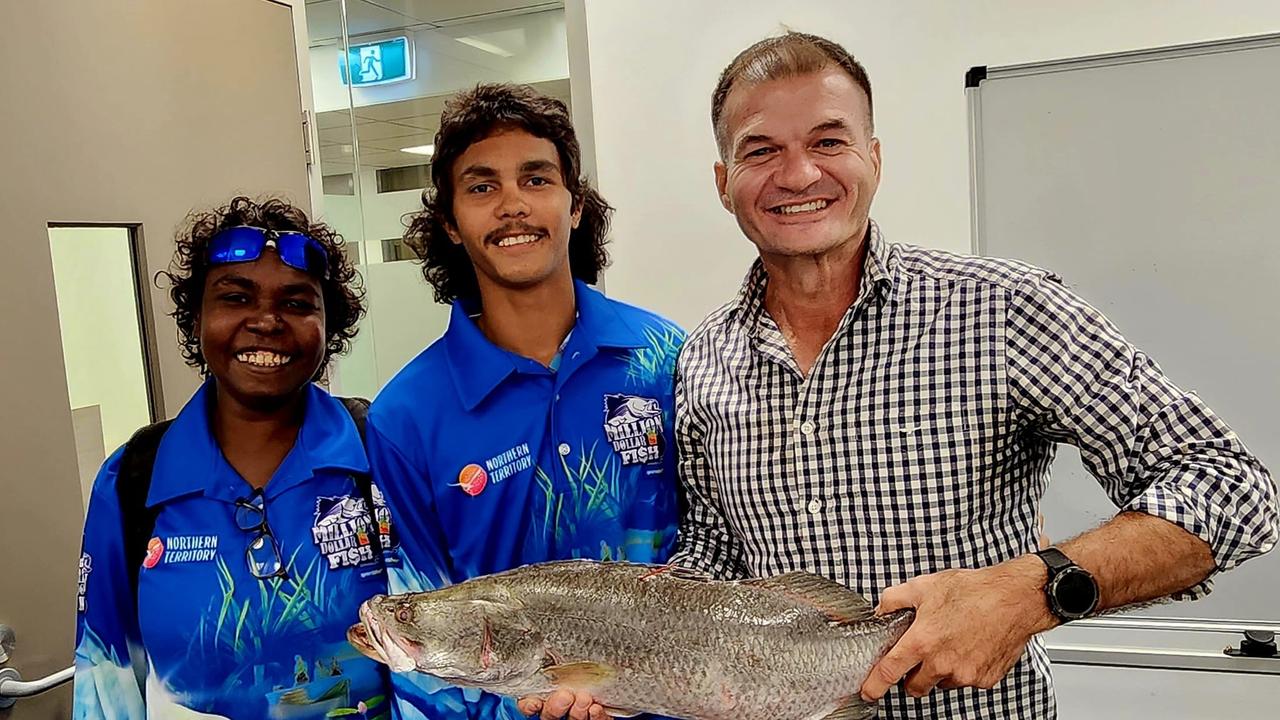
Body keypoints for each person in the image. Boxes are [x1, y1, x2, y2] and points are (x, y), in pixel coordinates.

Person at [530, 31, 1279, 720]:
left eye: (829, 140)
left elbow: (1234, 486)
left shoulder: (1006, 309)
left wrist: (1034, 589)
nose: (799, 174)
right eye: (761, 151)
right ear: (724, 181)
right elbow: (717, 563)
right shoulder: (702, 359)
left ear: (874, 158)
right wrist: (628, 664)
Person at [365, 83, 684, 720]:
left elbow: (720, 542)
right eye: (482, 187)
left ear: (574, 206)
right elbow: (417, 641)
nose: (513, 205)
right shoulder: (405, 416)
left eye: (536, 179)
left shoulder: (665, 355)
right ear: (451, 223)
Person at [73, 197, 394, 720]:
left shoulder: (382, 455)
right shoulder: (132, 480)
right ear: (196, 318)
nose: (266, 321)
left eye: (296, 303)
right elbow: (104, 690)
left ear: (328, 326)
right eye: (236, 298)